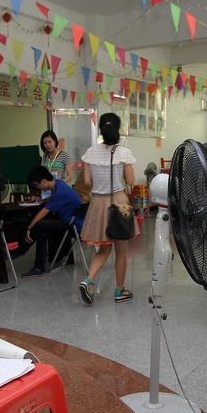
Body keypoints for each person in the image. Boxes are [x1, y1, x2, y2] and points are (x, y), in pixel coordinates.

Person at [78, 112, 139, 305]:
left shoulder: (90, 153)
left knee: (103, 250)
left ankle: (88, 280)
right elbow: (131, 181)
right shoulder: (124, 152)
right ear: (118, 129)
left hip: (98, 203)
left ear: (101, 130)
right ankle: (119, 291)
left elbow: (87, 182)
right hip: (118, 202)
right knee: (121, 250)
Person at [22, 165, 84, 277]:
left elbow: (44, 212)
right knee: (43, 228)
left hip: (74, 226)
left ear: (44, 181)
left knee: (39, 225)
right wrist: (42, 200)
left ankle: (37, 265)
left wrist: (29, 227)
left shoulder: (59, 192)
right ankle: (39, 263)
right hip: (75, 222)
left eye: (37, 185)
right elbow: (52, 199)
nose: (38, 189)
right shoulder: (59, 184)